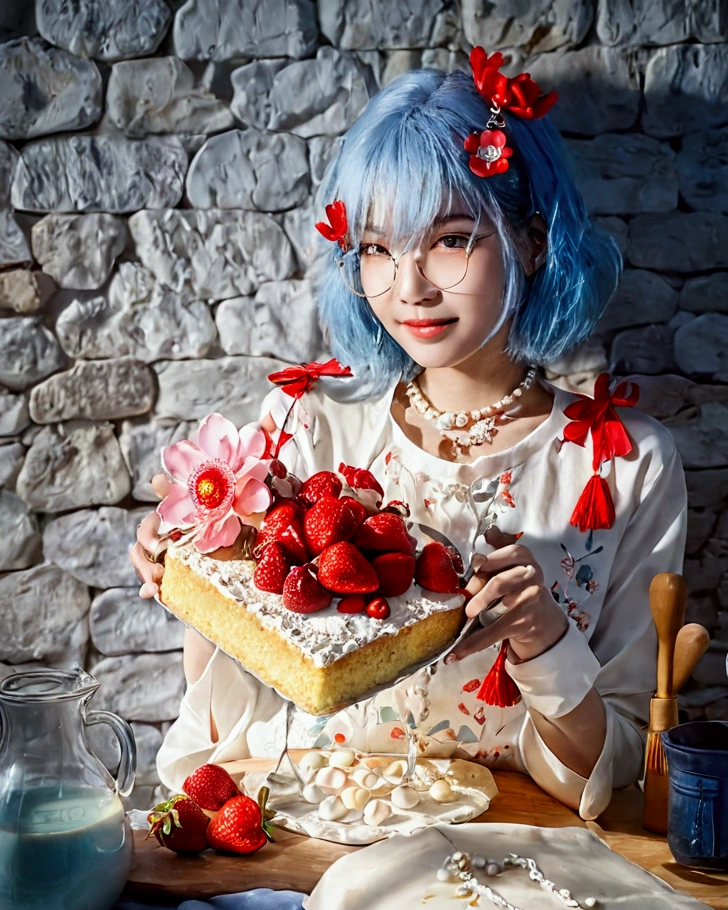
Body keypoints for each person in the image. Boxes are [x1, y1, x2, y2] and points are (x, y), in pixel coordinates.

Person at [130, 52, 687, 821]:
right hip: (316, 834)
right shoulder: (310, 425)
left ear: (531, 242)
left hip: (515, 857)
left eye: (452, 239)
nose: (410, 286)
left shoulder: (624, 464)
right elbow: (242, 710)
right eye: (377, 249)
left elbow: (615, 769)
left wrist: (542, 637)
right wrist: (198, 570)